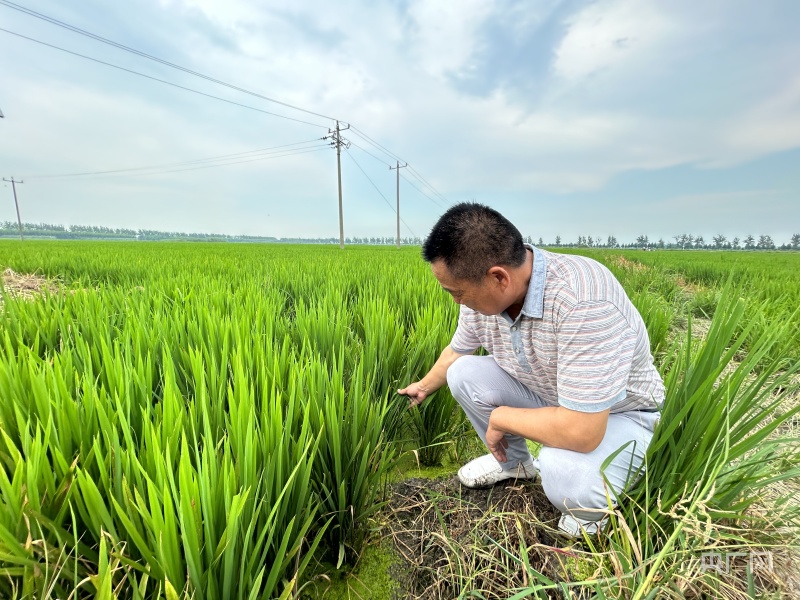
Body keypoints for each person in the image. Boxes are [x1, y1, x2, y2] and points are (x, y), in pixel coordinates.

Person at [398, 202, 664, 537]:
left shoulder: (584, 301)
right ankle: (516, 467)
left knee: (562, 472)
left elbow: (582, 431)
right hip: (554, 398)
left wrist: (502, 419)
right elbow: (457, 351)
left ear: (498, 277)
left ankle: (590, 507)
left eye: (457, 292)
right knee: (463, 373)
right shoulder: (483, 301)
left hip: (621, 416)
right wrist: (422, 386)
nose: (456, 301)